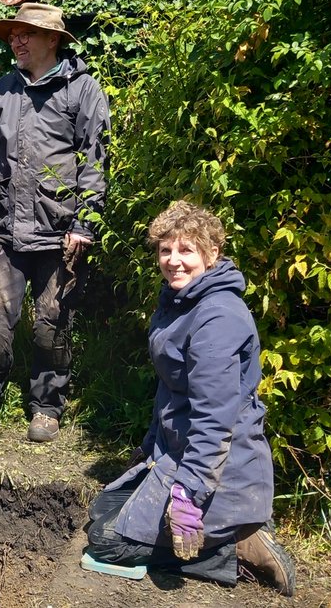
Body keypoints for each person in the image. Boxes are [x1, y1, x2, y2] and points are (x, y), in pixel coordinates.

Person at [83, 201, 296, 596]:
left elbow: (216, 421)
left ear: (212, 254)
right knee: (103, 510)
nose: (174, 261)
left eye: (186, 250)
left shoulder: (218, 317)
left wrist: (189, 496)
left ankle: (236, 545)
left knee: (107, 542)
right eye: (166, 250)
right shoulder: (179, 301)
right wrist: (149, 446)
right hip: (175, 451)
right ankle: (231, 532)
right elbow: (171, 389)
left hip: (219, 466)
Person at [0, 2, 109, 441]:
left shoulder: (82, 90)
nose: (16, 41)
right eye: (13, 35)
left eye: (25, 34)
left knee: (52, 325)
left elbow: (94, 161)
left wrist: (84, 225)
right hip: (6, 231)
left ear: (52, 39)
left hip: (59, 232)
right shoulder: (2, 91)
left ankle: (46, 408)